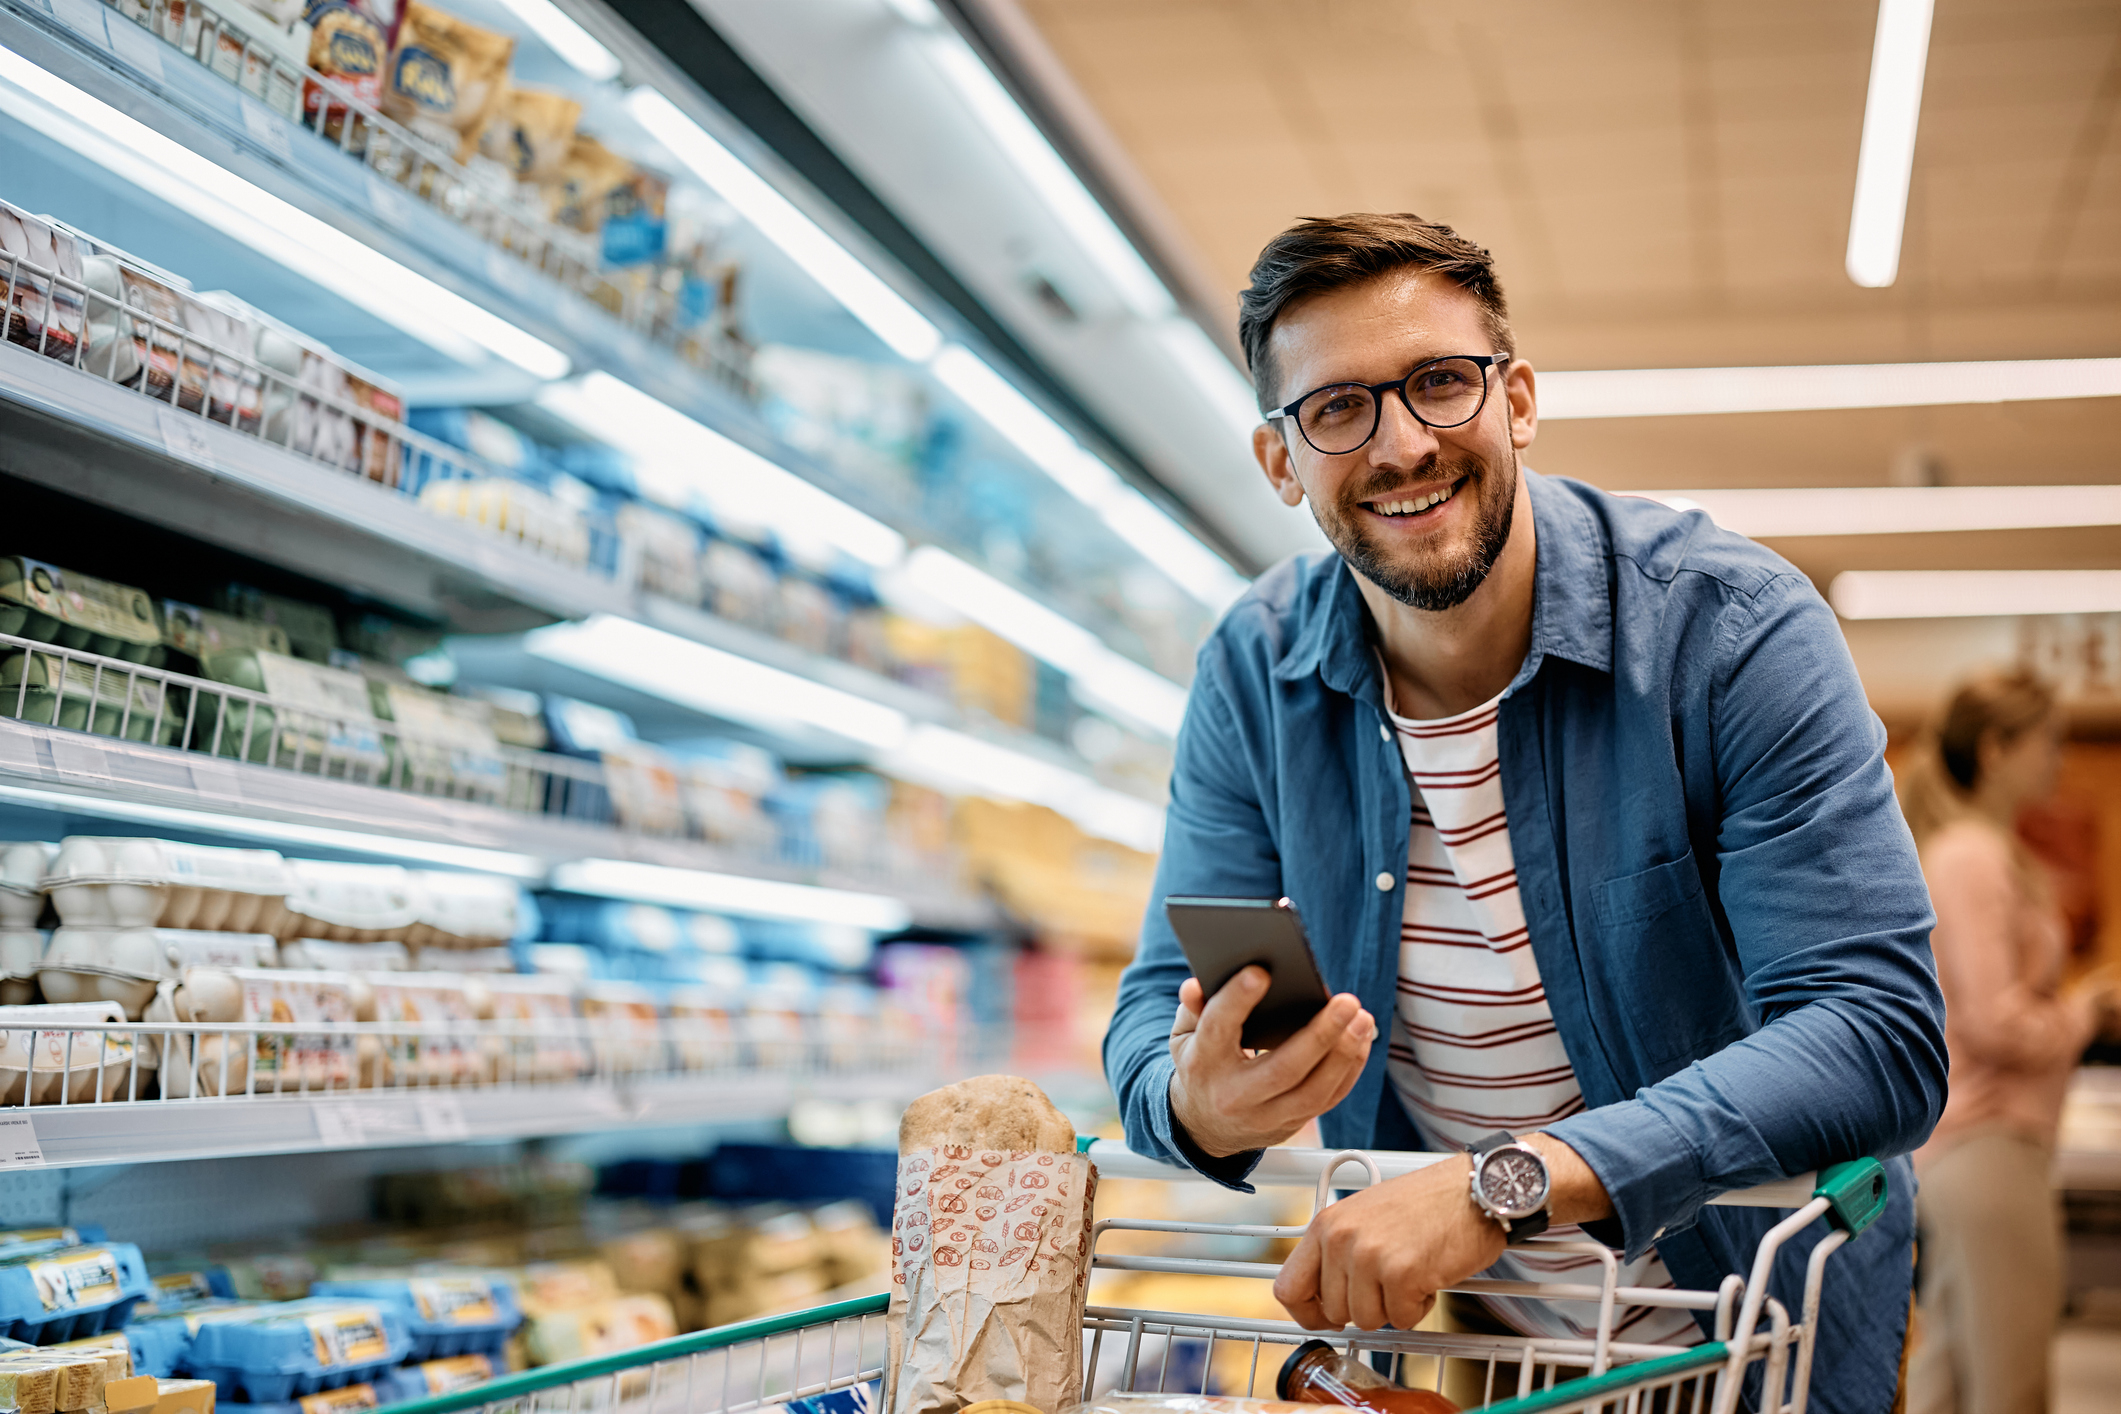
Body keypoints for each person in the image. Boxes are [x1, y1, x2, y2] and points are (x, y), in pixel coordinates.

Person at [1103, 213, 1947, 1414]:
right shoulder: (1258, 671)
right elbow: (1151, 1012)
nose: (1402, 444)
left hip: (1757, 1332)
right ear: (1281, 460)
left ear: (1520, 399)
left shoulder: (1729, 633)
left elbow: (1878, 1031)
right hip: (1485, 1354)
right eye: (1338, 409)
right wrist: (1194, 1101)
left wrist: (1500, 1183)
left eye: (1441, 383)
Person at [1899, 672, 2112, 1414]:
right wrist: (2084, 1011)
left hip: (1976, 1146)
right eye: (2046, 741)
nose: (2058, 758)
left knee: (1956, 1377)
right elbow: (1994, 1021)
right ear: (1996, 749)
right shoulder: (1970, 857)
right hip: (1987, 1142)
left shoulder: (1982, 850)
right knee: (2008, 1384)